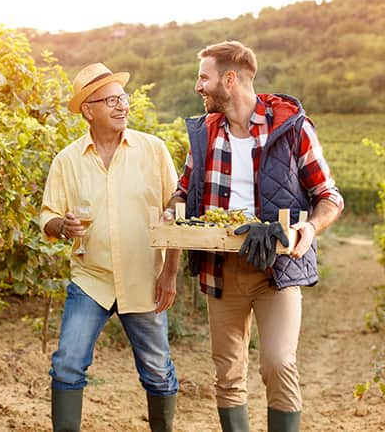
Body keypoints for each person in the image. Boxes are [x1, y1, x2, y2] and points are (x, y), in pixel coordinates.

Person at [164, 41, 344, 432]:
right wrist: (171, 208)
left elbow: (329, 196)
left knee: (278, 363)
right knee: (228, 374)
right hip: (220, 269)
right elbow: (183, 188)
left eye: (204, 77)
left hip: (275, 269)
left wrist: (309, 228)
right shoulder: (206, 134)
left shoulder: (292, 129)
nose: (198, 86)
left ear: (230, 80)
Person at [40, 62, 181, 432]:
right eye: (111, 100)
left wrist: (169, 274)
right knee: (67, 364)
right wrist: (63, 226)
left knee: (157, 372)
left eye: (123, 98)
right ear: (89, 109)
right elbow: (48, 218)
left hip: (143, 278)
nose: (122, 106)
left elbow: (178, 207)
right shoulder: (66, 161)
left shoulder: (153, 150)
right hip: (92, 279)